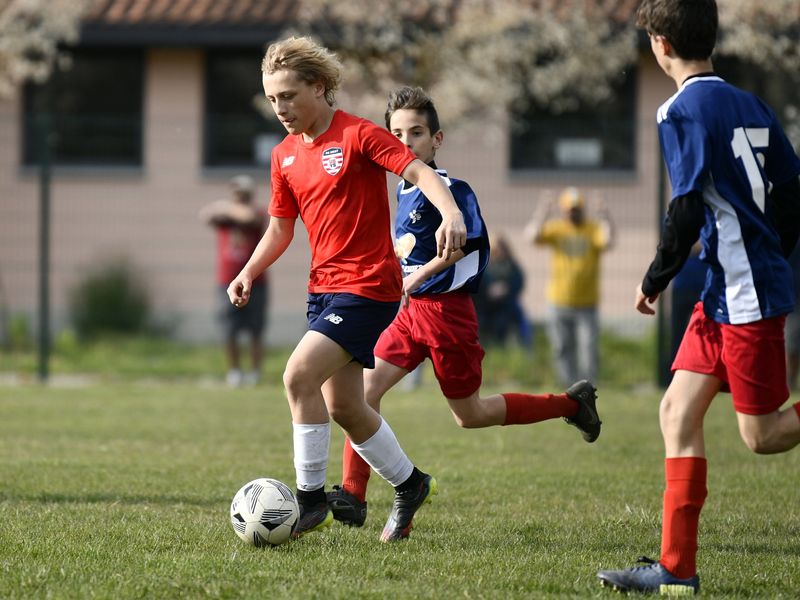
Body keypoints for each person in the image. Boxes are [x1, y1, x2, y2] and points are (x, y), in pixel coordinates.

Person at [325, 86, 601, 529]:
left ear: (437, 140)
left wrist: (413, 277)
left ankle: (571, 404)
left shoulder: (451, 189)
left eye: (416, 133)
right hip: (411, 314)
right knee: (363, 392)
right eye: (396, 134)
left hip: (447, 315)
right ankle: (355, 496)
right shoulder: (400, 192)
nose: (405, 142)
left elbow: (461, 244)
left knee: (469, 415)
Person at [227, 37, 468, 543]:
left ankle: (310, 502)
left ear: (320, 87)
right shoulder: (283, 156)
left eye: (290, 96)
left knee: (297, 376)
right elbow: (279, 229)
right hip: (325, 291)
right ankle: (411, 484)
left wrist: (450, 213)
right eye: (273, 100)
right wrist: (249, 271)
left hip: (369, 288)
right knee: (345, 407)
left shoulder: (358, 135)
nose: (281, 109)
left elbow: (419, 171)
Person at [597, 0, 800, 594]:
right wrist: (765, 250)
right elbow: (791, 192)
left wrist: (653, 278)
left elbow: (684, 207)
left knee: (761, 437)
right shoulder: (751, 103)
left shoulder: (678, 110)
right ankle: (676, 570)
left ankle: (676, 568)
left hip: (744, 296)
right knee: (676, 412)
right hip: (726, 289)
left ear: (659, 44)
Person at [524, 186, 614, 386]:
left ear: (583, 209)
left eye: (577, 208)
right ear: (563, 210)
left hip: (587, 302)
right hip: (559, 300)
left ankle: (588, 387)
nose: (573, 212)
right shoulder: (557, 228)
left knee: (588, 349)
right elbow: (531, 236)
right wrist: (542, 212)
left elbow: (608, 241)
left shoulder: (593, 229)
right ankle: (567, 386)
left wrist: (605, 214)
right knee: (562, 347)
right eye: (570, 209)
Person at [199, 175, 268, 387]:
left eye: (241, 193)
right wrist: (224, 209)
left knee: (256, 329)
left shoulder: (255, 213)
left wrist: (226, 207)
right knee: (229, 328)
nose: (238, 196)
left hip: (256, 280)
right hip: (227, 280)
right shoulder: (225, 217)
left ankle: (255, 373)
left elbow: (249, 218)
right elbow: (205, 215)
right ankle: (235, 372)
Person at [474, 232, 532, 348]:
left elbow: (518, 282)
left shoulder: (512, 265)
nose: (499, 251)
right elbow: (477, 286)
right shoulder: (483, 265)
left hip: (506, 303)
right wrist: (488, 291)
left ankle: (527, 346)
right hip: (485, 304)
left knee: (520, 318)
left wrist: (507, 290)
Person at [785, 243, 800, 390]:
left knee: (792, 343)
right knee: (790, 342)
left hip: (795, 294)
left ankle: (790, 382)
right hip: (784, 291)